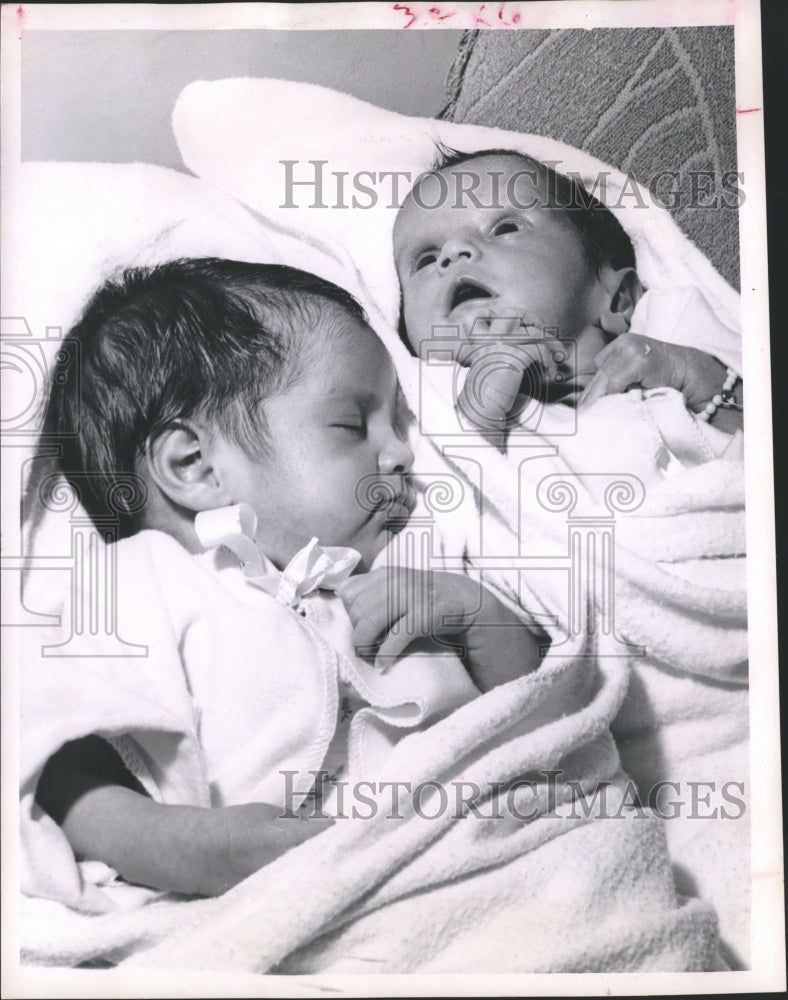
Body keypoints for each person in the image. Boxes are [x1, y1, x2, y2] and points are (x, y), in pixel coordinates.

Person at [31, 258, 543, 904]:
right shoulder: (136, 583)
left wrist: (477, 614)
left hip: (494, 869)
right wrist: (179, 844)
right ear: (194, 465)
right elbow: (52, 755)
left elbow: (543, 721)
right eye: (353, 425)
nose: (402, 454)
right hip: (299, 911)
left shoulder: (412, 561)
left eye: (400, 424)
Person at [393, 147, 743, 446]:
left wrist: (703, 383)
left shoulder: (672, 329)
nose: (452, 252)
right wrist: (474, 423)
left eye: (505, 228)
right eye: (424, 260)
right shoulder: (422, 420)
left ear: (618, 299)